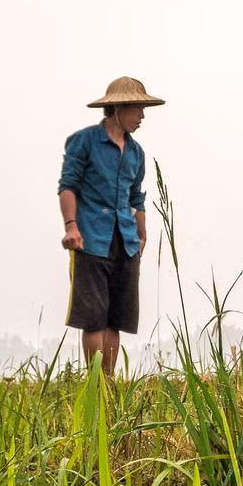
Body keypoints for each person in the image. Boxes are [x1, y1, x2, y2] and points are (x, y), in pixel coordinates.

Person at [58, 76, 164, 374]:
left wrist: (141, 234)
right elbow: (68, 185)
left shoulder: (135, 152)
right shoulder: (85, 141)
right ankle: (95, 385)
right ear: (118, 108)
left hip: (125, 241)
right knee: (94, 317)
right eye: (137, 109)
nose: (142, 117)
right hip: (91, 238)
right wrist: (71, 227)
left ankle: (109, 381)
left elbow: (136, 196)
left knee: (116, 318)